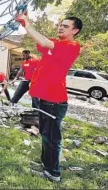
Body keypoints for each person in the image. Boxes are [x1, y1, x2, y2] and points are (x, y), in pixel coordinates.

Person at [15, 14, 82, 182]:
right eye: (60, 24)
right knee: (46, 135)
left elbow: (44, 42)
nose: (60, 27)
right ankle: (47, 167)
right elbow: (41, 41)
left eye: (65, 26)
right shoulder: (56, 43)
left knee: (52, 138)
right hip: (45, 98)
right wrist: (27, 21)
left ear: (75, 30)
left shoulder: (71, 46)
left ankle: (53, 173)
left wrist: (27, 23)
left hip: (54, 101)